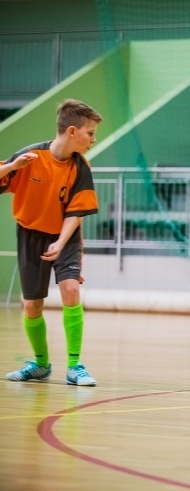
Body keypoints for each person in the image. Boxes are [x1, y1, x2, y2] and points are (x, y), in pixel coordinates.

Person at [2, 99, 102, 386]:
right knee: (32, 306)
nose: (93, 139)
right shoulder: (31, 156)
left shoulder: (80, 166)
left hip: (65, 236)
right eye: (90, 133)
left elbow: (76, 212)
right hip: (30, 235)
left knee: (70, 289)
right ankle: (40, 364)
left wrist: (59, 242)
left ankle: (74, 366)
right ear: (72, 131)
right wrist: (12, 166)